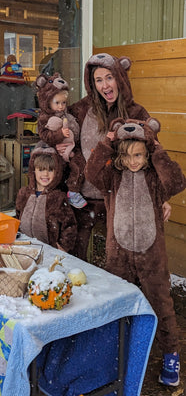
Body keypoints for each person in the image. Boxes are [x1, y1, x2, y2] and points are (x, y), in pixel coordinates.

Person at [85, 117, 186, 387]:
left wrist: (156, 147)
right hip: (118, 253)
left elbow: (176, 182)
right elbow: (91, 172)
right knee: (118, 303)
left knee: (161, 303)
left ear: (147, 153)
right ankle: (116, 353)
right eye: (128, 155)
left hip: (152, 253)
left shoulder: (154, 178)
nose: (133, 161)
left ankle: (170, 354)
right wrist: (107, 142)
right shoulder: (112, 178)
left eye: (139, 155)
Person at [62, 52, 171, 260]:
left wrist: (162, 196)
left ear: (119, 78)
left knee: (121, 258)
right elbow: (58, 122)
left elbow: (154, 153)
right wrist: (59, 140)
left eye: (109, 78)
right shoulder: (82, 109)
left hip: (120, 198)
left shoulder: (136, 112)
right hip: (83, 199)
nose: (105, 86)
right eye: (99, 80)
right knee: (77, 257)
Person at [35, 72, 87, 209]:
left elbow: (74, 128)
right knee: (55, 171)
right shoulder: (44, 117)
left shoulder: (66, 114)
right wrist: (59, 134)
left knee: (79, 164)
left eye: (63, 103)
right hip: (54, 150)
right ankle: (50, 194)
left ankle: (73, 191)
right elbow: (44, 135)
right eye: (57, 103)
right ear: (47, 101)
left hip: (70, 147)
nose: (61, 106)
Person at [15, 142, 77, 253]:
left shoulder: (58, 198)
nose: (45, 174)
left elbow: (69, 225)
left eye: (50, 170)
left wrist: (63, 247)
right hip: (25, 247)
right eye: (41, 169)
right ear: (33, 171)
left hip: (49, 251)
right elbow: (18, 217)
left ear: (56, 172)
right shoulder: (24, 194)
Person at [0, 54, 36, 137]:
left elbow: (31, 114)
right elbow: (31, 115)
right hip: (20, 134)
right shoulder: (27, 90)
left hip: (2, 134)